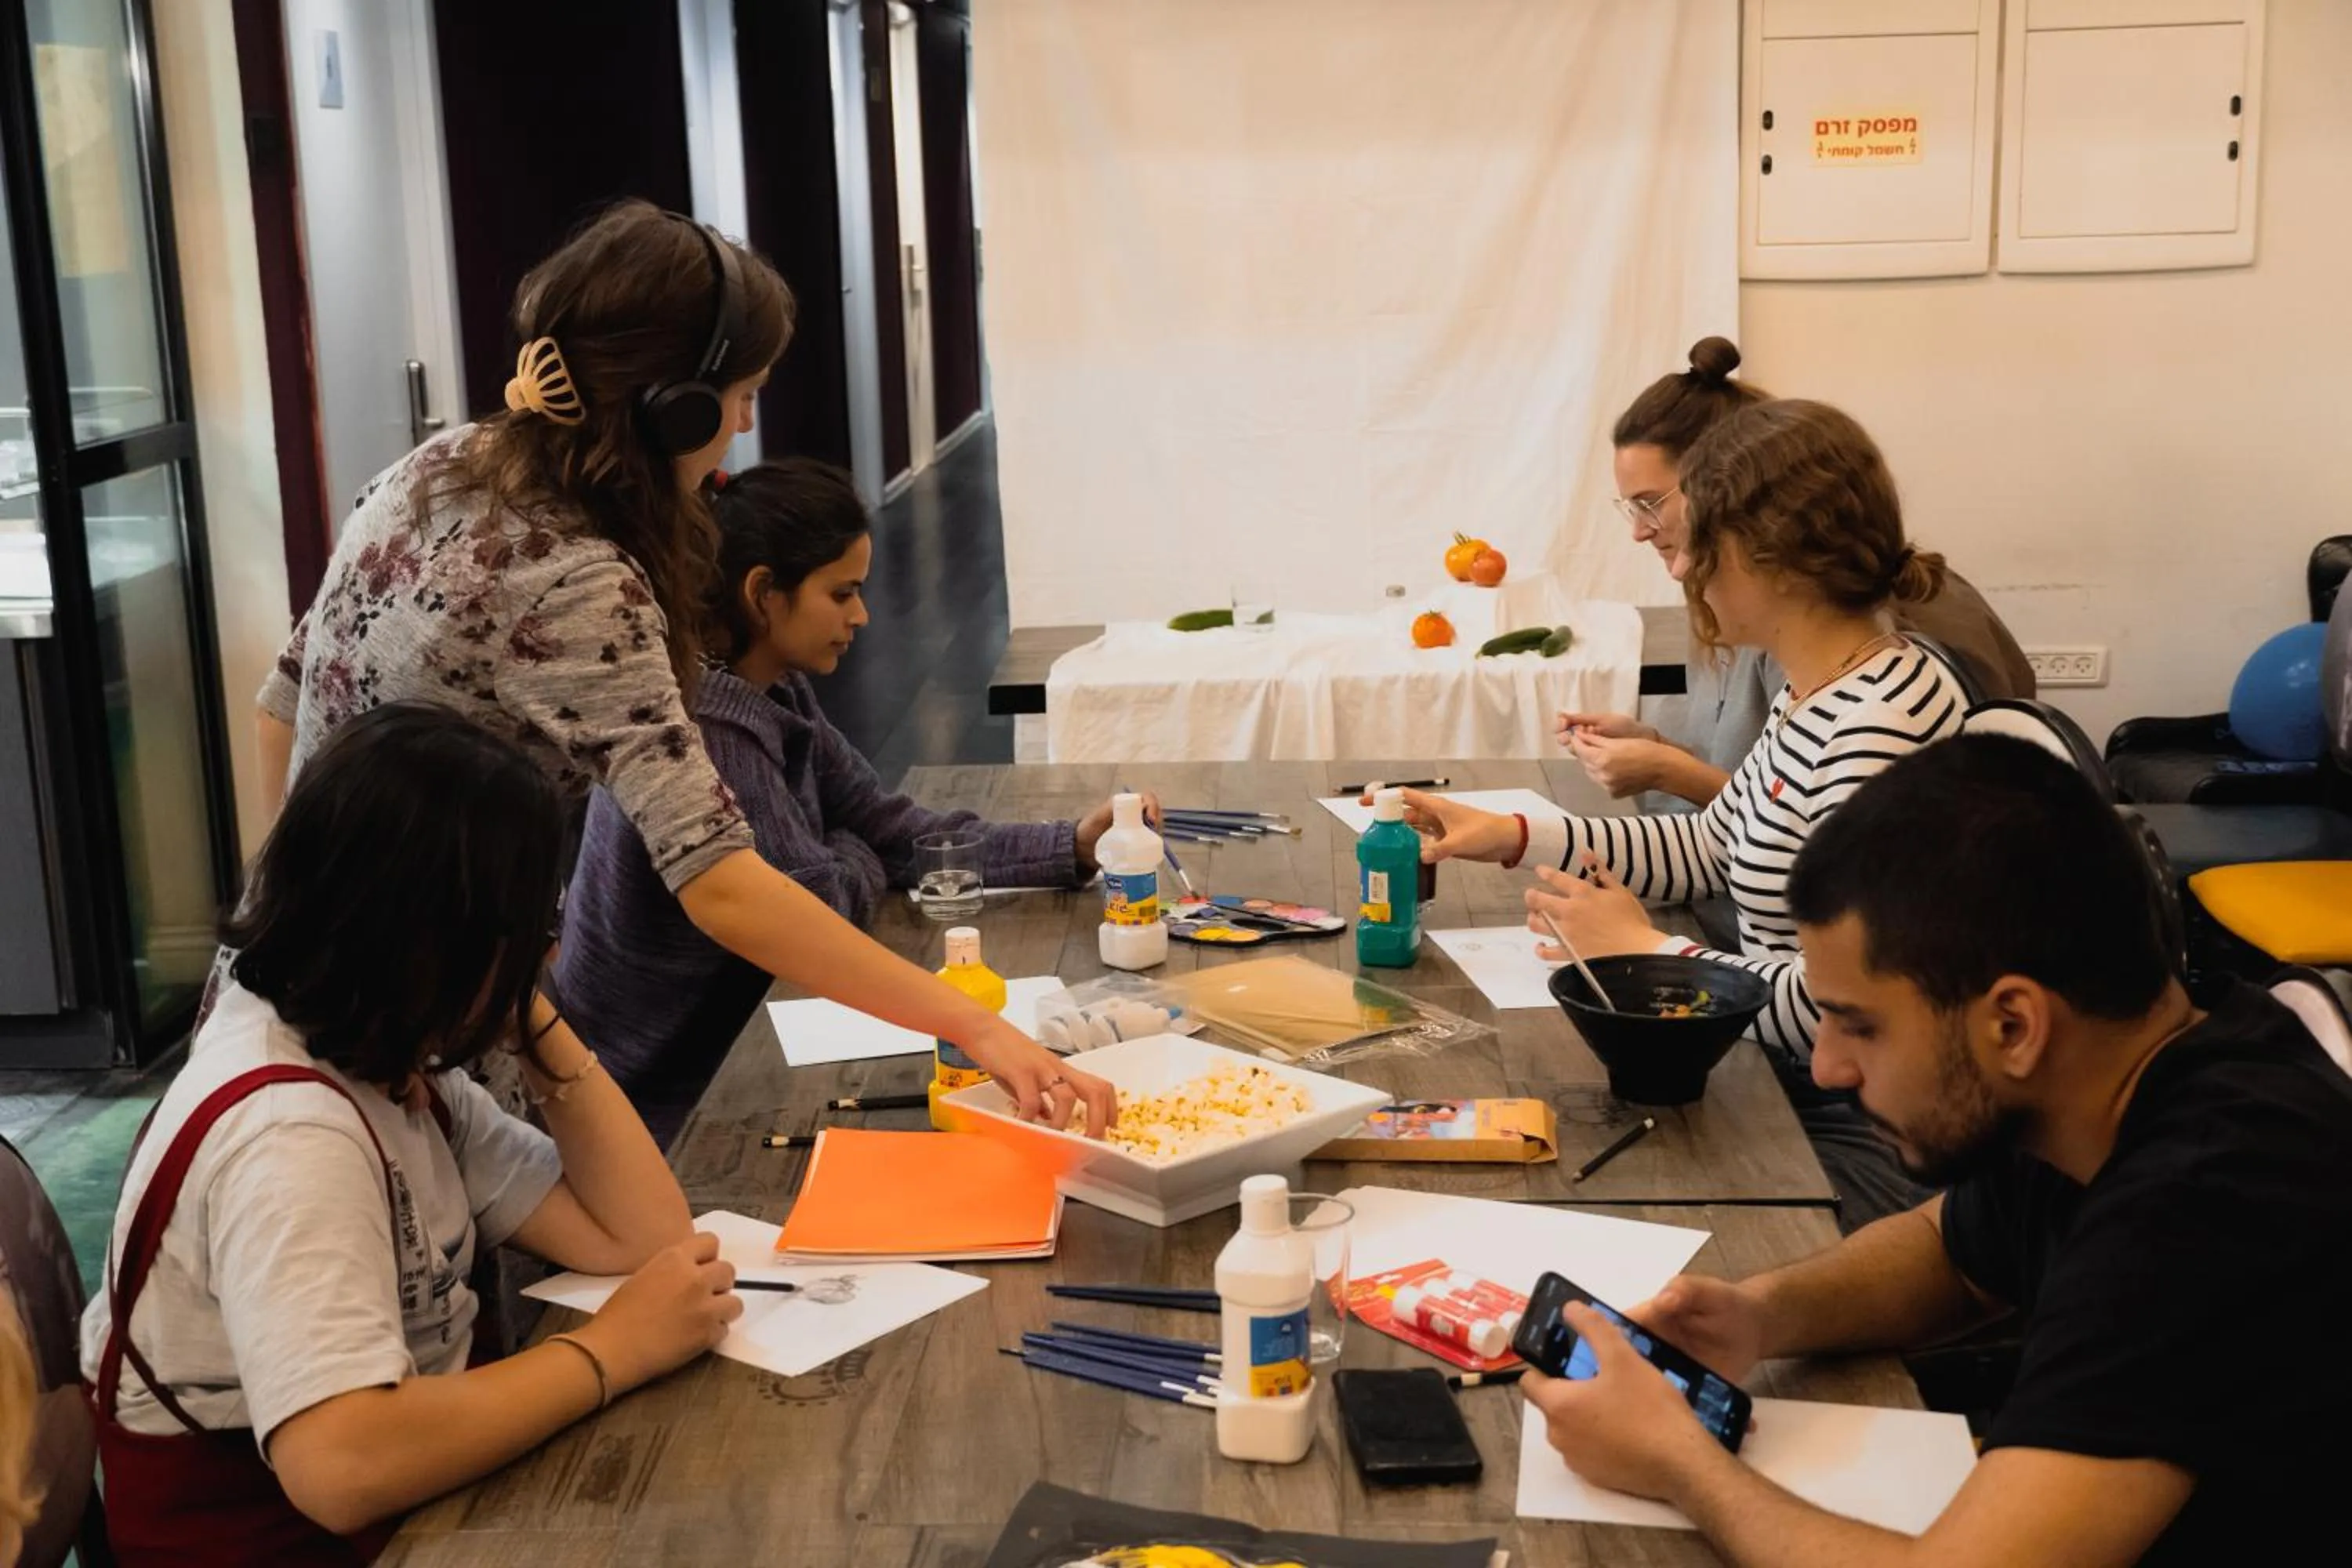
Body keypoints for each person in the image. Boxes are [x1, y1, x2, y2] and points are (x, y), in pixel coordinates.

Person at [251, 199, 1111, 1134]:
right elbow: (722, 881)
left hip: (287, 993)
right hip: (394, 1046)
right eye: (741, 396)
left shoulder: (438, 465)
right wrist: (972, 1022)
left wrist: (288, 908)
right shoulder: (578, 580)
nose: (743, 424)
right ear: (675, 407)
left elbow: (280, 704)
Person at [1522, 734, 2352, 1567]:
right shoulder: (2106, 1077)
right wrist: (1761, 1314)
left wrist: (1677, 1460)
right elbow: (1952, 1253)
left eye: (1861, 1025)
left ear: (2014, 1025)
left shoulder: (2208, 1205)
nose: (1827, 1065)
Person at [80, 705, 742, 1563]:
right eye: (532, 933)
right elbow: (341, 1464)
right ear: (432, 937)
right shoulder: (288, 1139)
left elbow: (642, 1239)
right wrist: (610, 1351)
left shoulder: (383, 1059)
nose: (548, 956)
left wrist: (524, 1016)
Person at [1400, 397, 1965, 1227]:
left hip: (1856, 1121)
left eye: (1695, 543)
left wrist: (1650, 953)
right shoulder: (1825, 687)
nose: (1679, 571)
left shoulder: (1879, 722)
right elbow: (1714, 843)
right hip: (1785, 1075)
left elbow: (1839, 1008)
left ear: (1766, 554)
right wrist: (1514, 836)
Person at [554, 459, 1143, 1142]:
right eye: (842, 594)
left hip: (731, 1037)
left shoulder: (774, 689)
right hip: (667, 1093)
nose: (860, 615)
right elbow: (823, 900)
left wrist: (1070, 844)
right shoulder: (711, 733)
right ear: (763, 594)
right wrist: (851, 852)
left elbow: (891, 830)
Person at [1557, 337, 2031, 809]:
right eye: (1631, 508)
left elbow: (1794, 821)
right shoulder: (1792, 674)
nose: (1640, 532)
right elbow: (1766, 800)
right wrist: (1660, 749)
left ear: (1729, 495)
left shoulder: (1851, 675)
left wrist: (1667, 770)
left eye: (1651, 503)